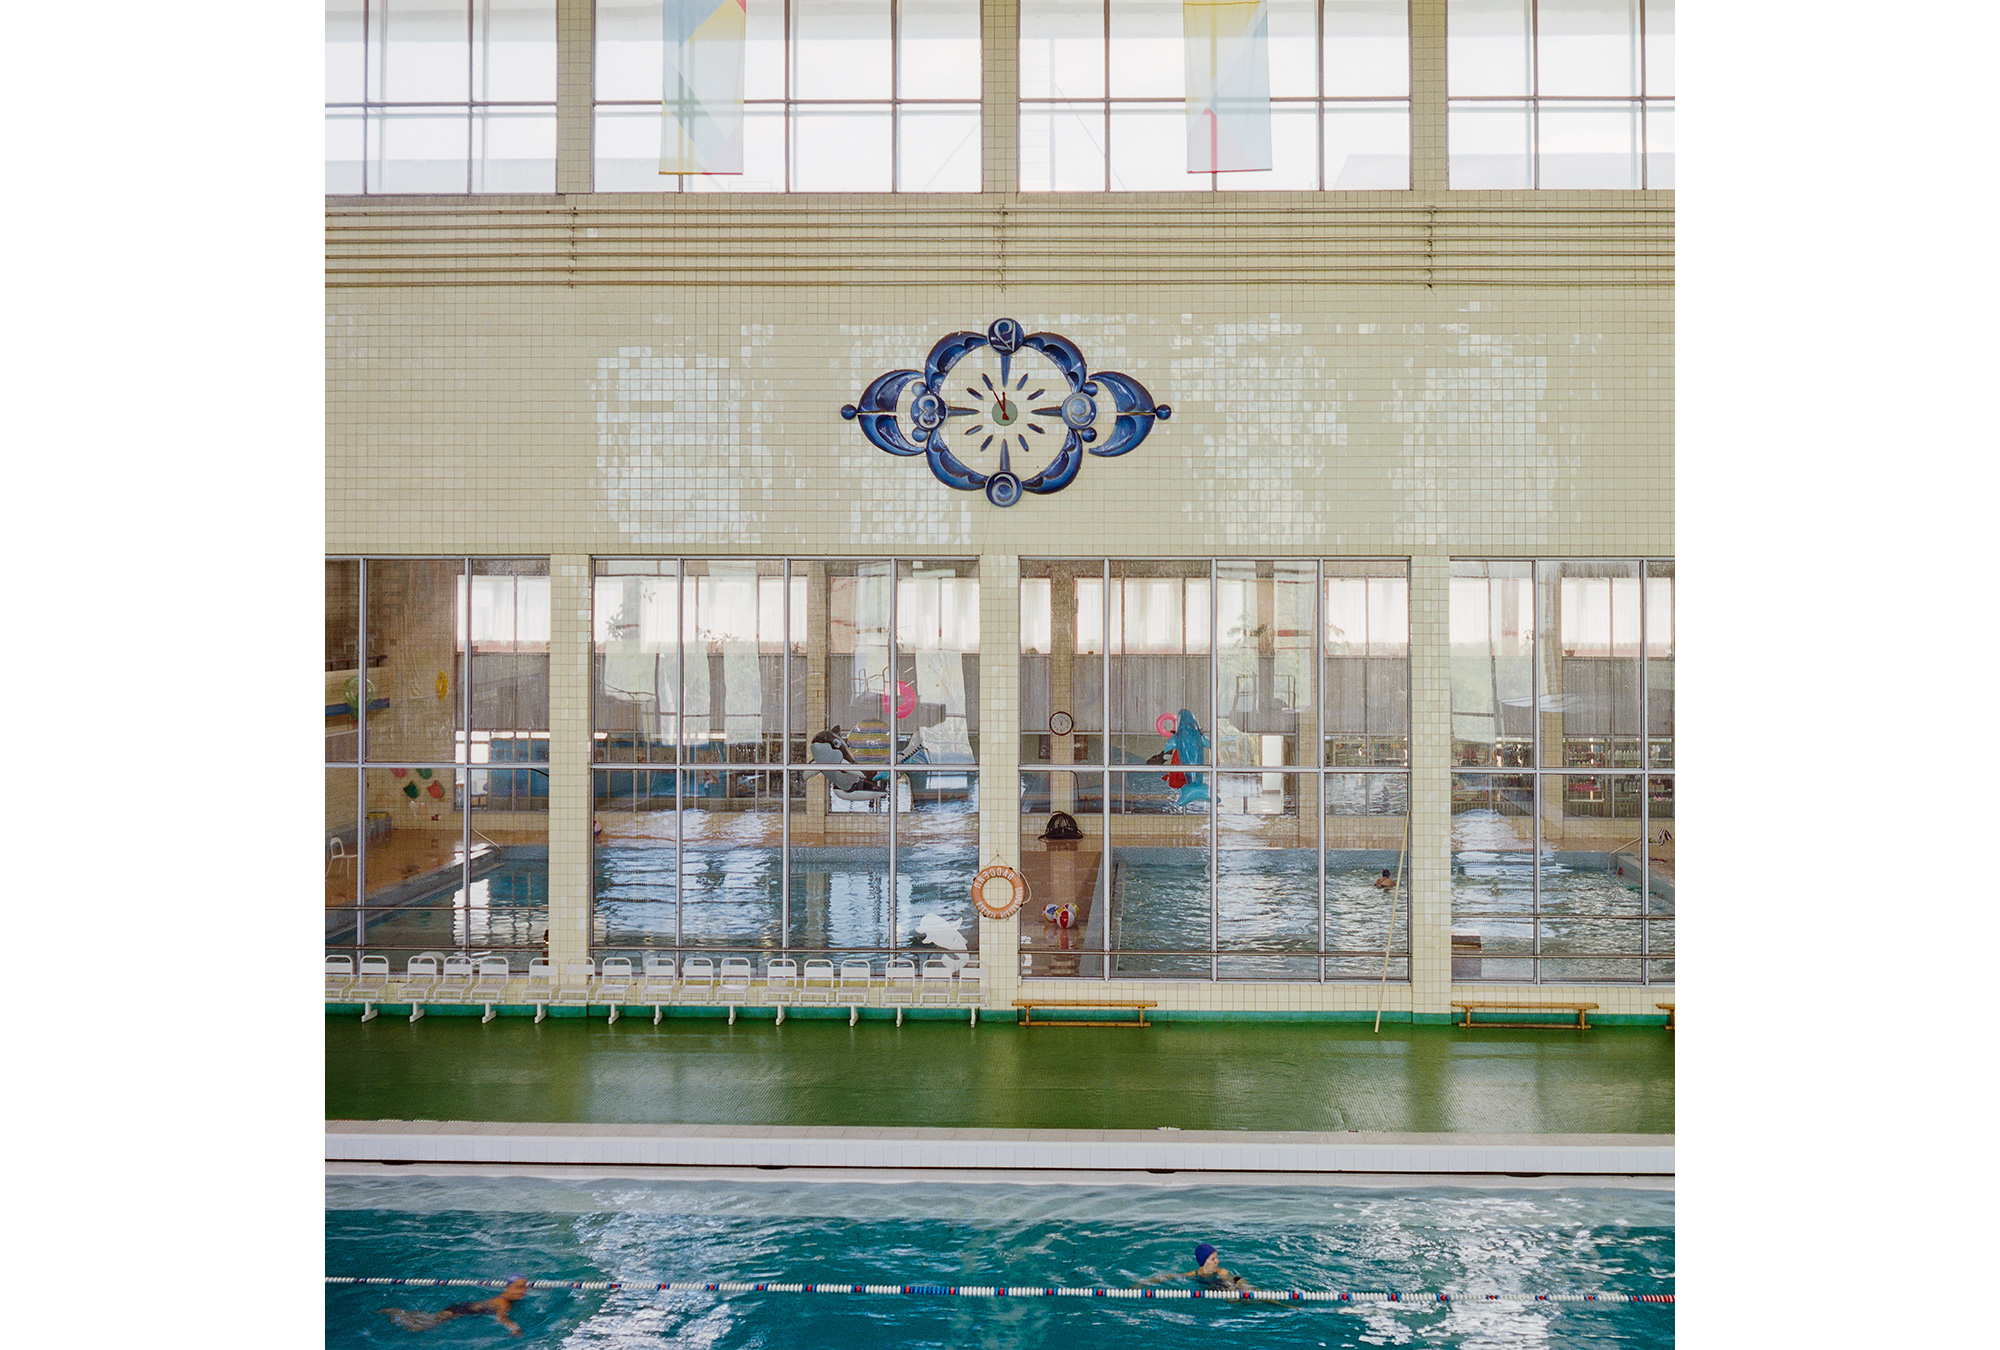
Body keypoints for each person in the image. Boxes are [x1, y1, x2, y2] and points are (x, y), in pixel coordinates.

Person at [381, 1276, 530, 1335]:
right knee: (420, 1327)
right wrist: (515, 1328)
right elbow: (501, 1318)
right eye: (518, 1287)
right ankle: (396, 1312)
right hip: (460, 1311)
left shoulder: (505, 1299)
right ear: (507, 1287)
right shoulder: (504, 1303)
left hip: (463, 1308)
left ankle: (402, 1313)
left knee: (429, 1319)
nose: (522, 1291)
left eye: (524, 1287)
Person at [1142, 1242, 1249, 1291]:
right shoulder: (1193, 1275)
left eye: (1216, 1257)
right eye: (1213, 1259)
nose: (1217, 1261)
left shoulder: (1222, 1272)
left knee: (1237, 1297)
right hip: (1217, 1290)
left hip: (1235, 1283)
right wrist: (1142, 1284)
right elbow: (1168, 1276)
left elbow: (1232, 1285)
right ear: (1203, 1262)